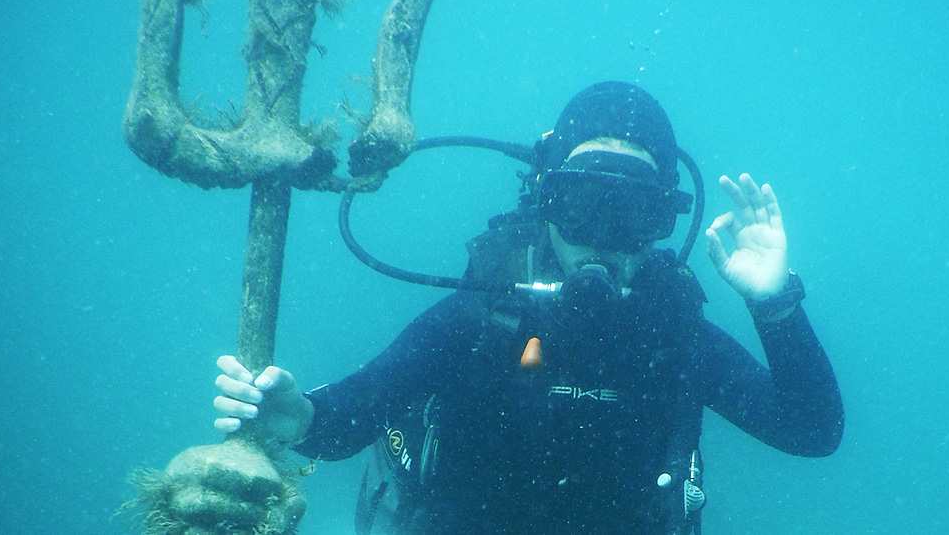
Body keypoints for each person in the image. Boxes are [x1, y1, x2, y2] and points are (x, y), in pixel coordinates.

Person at [214, 81, 844, 534]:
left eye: (631, 214)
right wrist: (295, 414)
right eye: (580, 205)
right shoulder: (483, 319)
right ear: (546, 204)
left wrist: (776, 304)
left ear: (659, 224)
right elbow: (353, 414)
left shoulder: (673, 338)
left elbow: (812, 431)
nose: (600, 237)